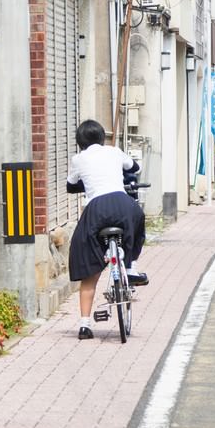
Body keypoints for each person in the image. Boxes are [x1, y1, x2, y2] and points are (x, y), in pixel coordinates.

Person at [66, 120, 148, 340]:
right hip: (123, 203)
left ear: (80, 141)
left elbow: (70, 184)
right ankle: (130, 268)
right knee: (137, 224)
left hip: (96, 209)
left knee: (88, 263)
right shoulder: (114, 151)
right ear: (102, 137)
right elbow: (135, 168)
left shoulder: (78, 159)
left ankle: (84, 325)